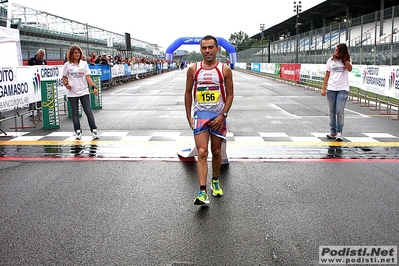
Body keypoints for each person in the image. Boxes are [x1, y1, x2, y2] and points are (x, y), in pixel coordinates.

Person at [184, 35, 234, 206]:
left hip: (218, 116)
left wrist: (223, 115)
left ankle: (215, 180)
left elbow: (231, 94)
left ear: (217, 49)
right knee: (202, 151)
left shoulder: (224, 69)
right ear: (200, 50)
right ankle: (202, 191)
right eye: (204, 48)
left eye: (210, 47)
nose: (207, 51)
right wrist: (188, 115)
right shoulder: (193, 69)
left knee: (217, 152)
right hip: (200, 115)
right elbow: (188, 92)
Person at [62, 45, 99, 140]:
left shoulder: (84, 64)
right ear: (71, 54)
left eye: (78, 52)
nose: (77, 54)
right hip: (72, 92)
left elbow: (88, 77)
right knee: (75, 113)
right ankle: (77, 131)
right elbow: (64, 77)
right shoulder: (67, 65)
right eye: (75, 52)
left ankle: (94, 130)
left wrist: (94, 87)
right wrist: (66, 84)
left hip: (84, 91)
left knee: (88, 112)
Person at [321, 43, 352, 141]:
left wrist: (345, 60)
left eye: (337, 50)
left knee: (339, 110)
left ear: (341, 51)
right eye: (335, 50)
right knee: (332, 111)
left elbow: (350, 69)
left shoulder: (347, 60)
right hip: (331, 89)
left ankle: (339, 132)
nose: (335, 52)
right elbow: (327, 75)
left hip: (343, 88)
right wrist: (323, 88)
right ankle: (333, 131)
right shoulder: (330, 60)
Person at [27, 48, 47, 117]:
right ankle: (31, 110)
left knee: (39, 96)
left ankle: (39, 109)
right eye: (40, 55)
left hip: (40, 81)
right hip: (33, 81)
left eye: (42, 56)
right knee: (32, 95)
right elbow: (27, 69)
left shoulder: (44, 61)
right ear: (37, 54)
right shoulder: (31, 60)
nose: (41, 57)